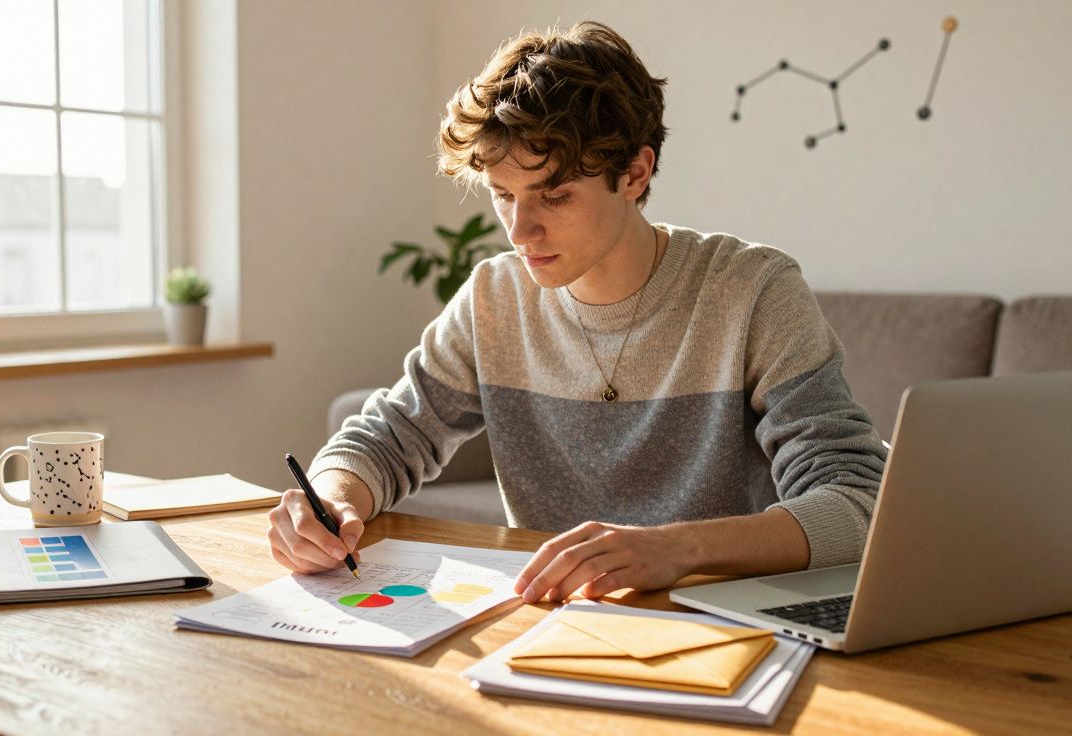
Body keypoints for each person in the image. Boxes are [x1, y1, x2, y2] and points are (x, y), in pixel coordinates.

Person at [267, 20, 887, 604]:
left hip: (725, 619)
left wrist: (679, 549)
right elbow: (388, 437)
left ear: (636, 173)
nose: (520, 229)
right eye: (502, 196)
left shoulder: (752, 291)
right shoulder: (494, 298)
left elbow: (857, 501)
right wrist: (328, 499)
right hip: (553, 626)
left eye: (554, 195)